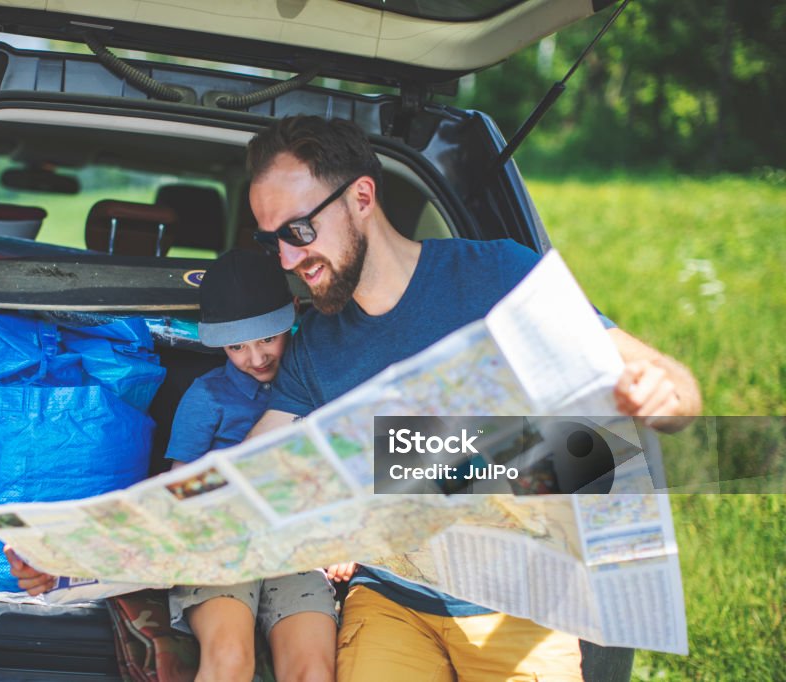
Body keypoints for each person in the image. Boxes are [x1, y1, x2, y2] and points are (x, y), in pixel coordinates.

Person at [244, 115, 701, 682]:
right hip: (388, 603)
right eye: (273, 243)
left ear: (361, 196)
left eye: (299, 231)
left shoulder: (497, 277)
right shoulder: (316, 344)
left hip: (524, 599)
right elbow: (255, 462)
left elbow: (669, 384)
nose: (288, 260)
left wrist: (665, 396)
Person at [9, 248, 338, 682]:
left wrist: (340, 544)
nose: (256, 358)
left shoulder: (322, 379)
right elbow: (177, 493)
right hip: (221, 546)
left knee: (314, 669)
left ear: (293, 313)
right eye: (237, 346)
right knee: (229, 658)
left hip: (298, 547)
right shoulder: (207, 397)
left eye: (267, 339)